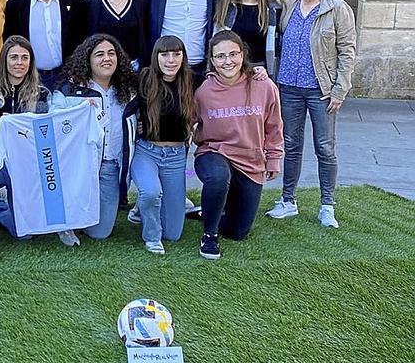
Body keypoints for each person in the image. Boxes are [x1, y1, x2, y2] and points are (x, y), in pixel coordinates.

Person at [266, 0, 356, 229]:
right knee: (291, 146)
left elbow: (347, 51)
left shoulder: (337, 9)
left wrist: (340, 89)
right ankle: (288, 200)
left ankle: (327, 205)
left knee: (325, 148)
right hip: (289, 88)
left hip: (322, 90)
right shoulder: (288, 5)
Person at [194, 30, 283, 260]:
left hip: (250, 160)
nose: (228, 61)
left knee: (238, 232)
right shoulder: (203, 91)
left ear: (242, 55)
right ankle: (209, 235)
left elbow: (273, 126)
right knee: (217, 176)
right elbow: (187, 121)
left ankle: (211, 209)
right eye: (220, 56)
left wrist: (273, 157)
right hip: (213, 152)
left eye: (233, 54)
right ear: (212, 61)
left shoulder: (264, 86)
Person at [0, 36, 51, 266]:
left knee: (24, 234)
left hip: (26, 167)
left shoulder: (41, 93)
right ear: (5, 60)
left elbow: (46, 133)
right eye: (14, 57)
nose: (19, 63)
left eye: (25, 58)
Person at [52, 34, 138, 242]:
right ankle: (66, 218)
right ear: (88, 60)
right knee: (73, 214)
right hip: (78, 168)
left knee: (100, 233)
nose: (106, 59)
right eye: (99, 54)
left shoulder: (129, 90)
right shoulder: (69, 91)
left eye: (111, 53)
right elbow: (54, 125)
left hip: (109, 167)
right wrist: (76, 111)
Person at [128, 36, 196, 255]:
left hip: (176, 156)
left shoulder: (191, 80)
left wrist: (258, 73)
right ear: (156, 56)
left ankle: (140, 208)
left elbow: (224, 80)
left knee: (174, 234)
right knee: (151, 192)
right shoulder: (144, 78)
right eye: (164, 54)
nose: (171, 60)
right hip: (147, 151)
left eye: (176, 54)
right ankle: (151, 236)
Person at [3, 0, 87, 90]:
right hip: (29, 80)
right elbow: (9, 42)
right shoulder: (15, 6)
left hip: (67, 79)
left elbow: (83, 41)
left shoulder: (75, 2)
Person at [214, 0, 283, 76]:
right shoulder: (220, 3)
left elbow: (278, 48)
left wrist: (268, 71)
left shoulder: (273, 7)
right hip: (226, 74)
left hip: (259, 74)